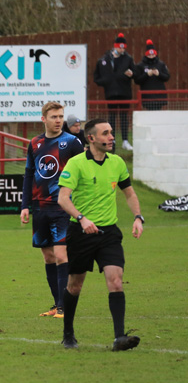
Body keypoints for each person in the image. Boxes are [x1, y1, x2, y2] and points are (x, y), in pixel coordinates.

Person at [57, 119, 144, 351]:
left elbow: (129, 194)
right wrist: (82, 218)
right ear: (91, 138)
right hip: (81, 233)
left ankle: (119, 338)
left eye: (112, 133)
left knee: (116, 280)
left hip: (109, 233)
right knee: (75, 285)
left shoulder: (117, 163)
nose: (111, 137)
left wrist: (138, 217)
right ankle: (68, 333)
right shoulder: (75, 164)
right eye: (106, 133)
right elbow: (63, 198)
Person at [20, 102, 84, 319]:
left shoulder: (72, 142)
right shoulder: (35, 143)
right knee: (48, 257)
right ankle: (57, 304)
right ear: (43, 119)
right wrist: (25, 206)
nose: (58, 120)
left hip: (62, 207)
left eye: (61, 116)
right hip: (40, 208)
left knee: (60, 254)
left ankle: (64, 307)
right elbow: (29, 174)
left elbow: (83, 170)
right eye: (54, 116)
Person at [93, 32, 135, 151]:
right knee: (111, 117)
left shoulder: (128, 59)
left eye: (124, 47)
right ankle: (112, 139)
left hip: (124, 92)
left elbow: (135, 73)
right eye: (120, 47)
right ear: (115, 46)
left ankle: (125, 141)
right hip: (111, 93)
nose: (122, 49)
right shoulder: (104, 59)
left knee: (124, 116)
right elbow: (97, 77)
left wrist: (131, 74)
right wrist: (105, 81)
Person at [134, 40, 170, 111]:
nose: (151, 56)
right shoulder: (140, 65)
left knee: (158, 114)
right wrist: (146, 75)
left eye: (153, 54)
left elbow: (167, 77)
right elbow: (137, 80)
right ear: (146, 55)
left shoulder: (161, 64)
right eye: (149, 55)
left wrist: (159, 74)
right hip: (147, 96)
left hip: (159, 96)